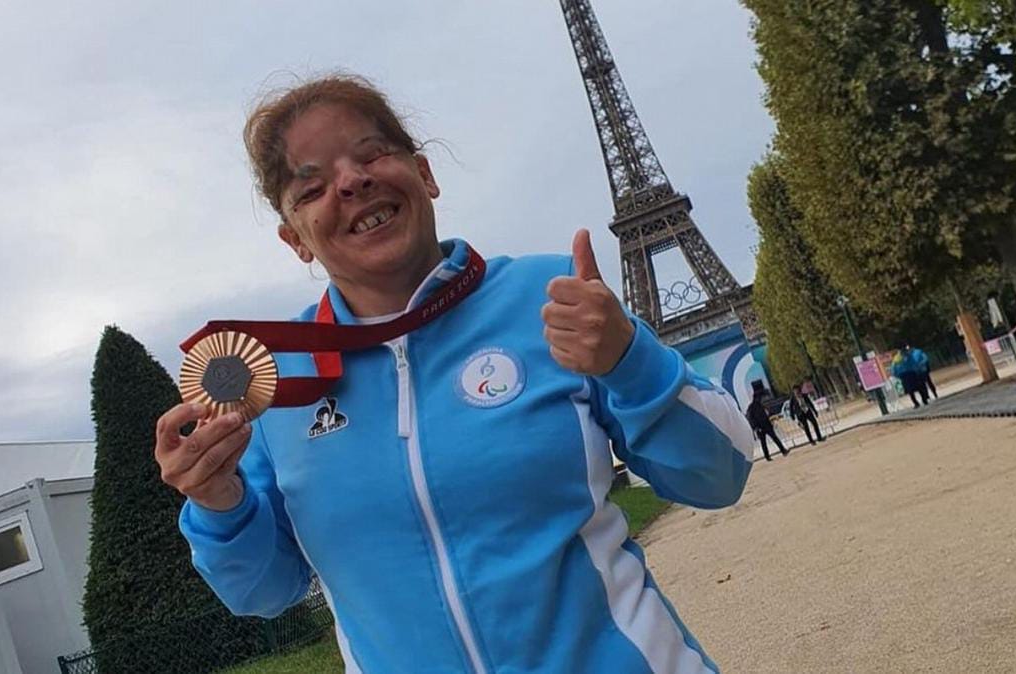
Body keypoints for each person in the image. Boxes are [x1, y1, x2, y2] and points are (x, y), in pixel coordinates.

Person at [153, 74, 755, 674]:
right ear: (296, 241)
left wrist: (631, 361)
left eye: (371, 154)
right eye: (311, 188)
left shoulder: (554, 300)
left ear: (425, 174)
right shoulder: (280, 381)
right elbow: (264, 591)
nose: (351, 181)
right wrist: (218, 501)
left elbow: (719, 477)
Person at [746, 389, 788, 461]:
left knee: (775, 438)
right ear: (756, 398)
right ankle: (767, 456)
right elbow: (751, 418)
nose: (760, 399)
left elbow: (766, 414)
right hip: (760, 428)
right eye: (759, 397)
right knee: (763, 443)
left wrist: (771, 420)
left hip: (766, 425)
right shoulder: (751, 407)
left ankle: (783, 450)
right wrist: (756, 427)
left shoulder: (761, 405)